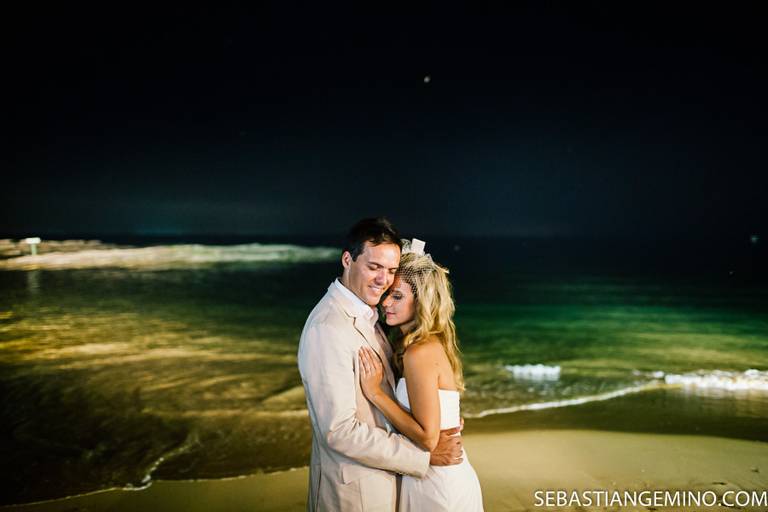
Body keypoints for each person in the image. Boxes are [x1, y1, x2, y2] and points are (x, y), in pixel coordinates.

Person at [297, 218, 464, 512]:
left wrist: (443, 420)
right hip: (354, 494)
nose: (383, 280)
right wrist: (423, 457)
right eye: (374, 267)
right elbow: (339, 431)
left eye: (390, 271)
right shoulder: (328, 327)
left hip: (387, 484)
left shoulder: (369, 316)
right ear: (348, 260)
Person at [358, 239, 484, 511]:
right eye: (388, 293)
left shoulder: (419, 352)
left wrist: (376, 394)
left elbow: (428, 438)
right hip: (434, 474)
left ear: (422, 300)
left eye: (398, 296)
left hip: (437, 485)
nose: (385, 303)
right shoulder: (426, 344)